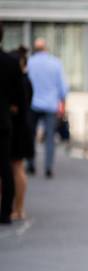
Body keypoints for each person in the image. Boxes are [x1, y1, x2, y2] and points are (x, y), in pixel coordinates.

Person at [27, 37, 68, 179]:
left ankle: (30, 163)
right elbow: (63, 88)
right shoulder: (55, 63)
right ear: (46, 48)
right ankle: (48, 167)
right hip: (50, 104)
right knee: (50, 137)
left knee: (30, 135)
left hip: (32, 103)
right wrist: (63, 102)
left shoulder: (30, 63)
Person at [0, 23, 27, 225]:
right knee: (6, 167)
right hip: (4, 122)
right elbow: (21, 97)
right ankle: (6, 211)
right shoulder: (11, 63)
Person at [8, 46, 33, 221]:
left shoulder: (20, 81)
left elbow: (18, 106)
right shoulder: (26, 80)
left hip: (16, 129)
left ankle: (17, 207)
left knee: (16, 167)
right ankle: (19, 207)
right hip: (22, 128)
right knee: (18, 167)